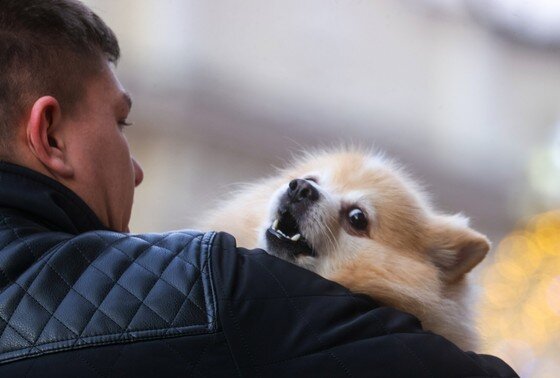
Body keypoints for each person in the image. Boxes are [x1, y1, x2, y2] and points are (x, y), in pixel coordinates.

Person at [0, 1, 518, 377]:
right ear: (49, 135)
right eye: (122, 125)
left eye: (356, 217)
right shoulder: (218, 290)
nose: (136, 170)